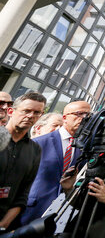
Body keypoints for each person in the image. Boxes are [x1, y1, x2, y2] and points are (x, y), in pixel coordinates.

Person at [21, 99, 91, 225]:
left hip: (62, 214)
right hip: (32, 210)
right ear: (65, 118)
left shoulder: (85, 148)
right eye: (79, 114)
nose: (84, 118)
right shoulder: (39, 143)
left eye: (88, 115)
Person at [0, 92, 46, 232]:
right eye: (26, 111)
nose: (31, 116)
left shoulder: (35, 149)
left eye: (36, 112)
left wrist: (3, 224)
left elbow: (23, 192)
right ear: (11, 111)